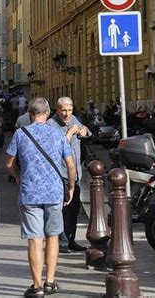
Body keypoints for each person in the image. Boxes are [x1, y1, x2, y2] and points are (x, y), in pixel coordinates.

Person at [6, 97, 76, 298]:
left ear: (30, 114)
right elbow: (70, 165)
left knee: (35, 239)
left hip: (30, 192)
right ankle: (50, 282)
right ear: (47, 114)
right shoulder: (57, 133)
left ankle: (36, 287)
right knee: (52, 235)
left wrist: (19, 177)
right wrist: (70, 187)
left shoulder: (21, 134)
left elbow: (9, 163)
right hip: (54, 192)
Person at [47, 96, 90, 252]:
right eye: (63, 110)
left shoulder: (74, 120)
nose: (66, 114)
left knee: (74, 209)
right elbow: (56, 149)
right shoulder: (51, 125)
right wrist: (71, 133)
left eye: (69, 110)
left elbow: (86, 131)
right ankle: (62, 242)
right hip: (61, 174)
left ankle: (71, 239)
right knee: (61, 211)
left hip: (76, 173)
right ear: (57, 110)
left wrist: (84, 131)